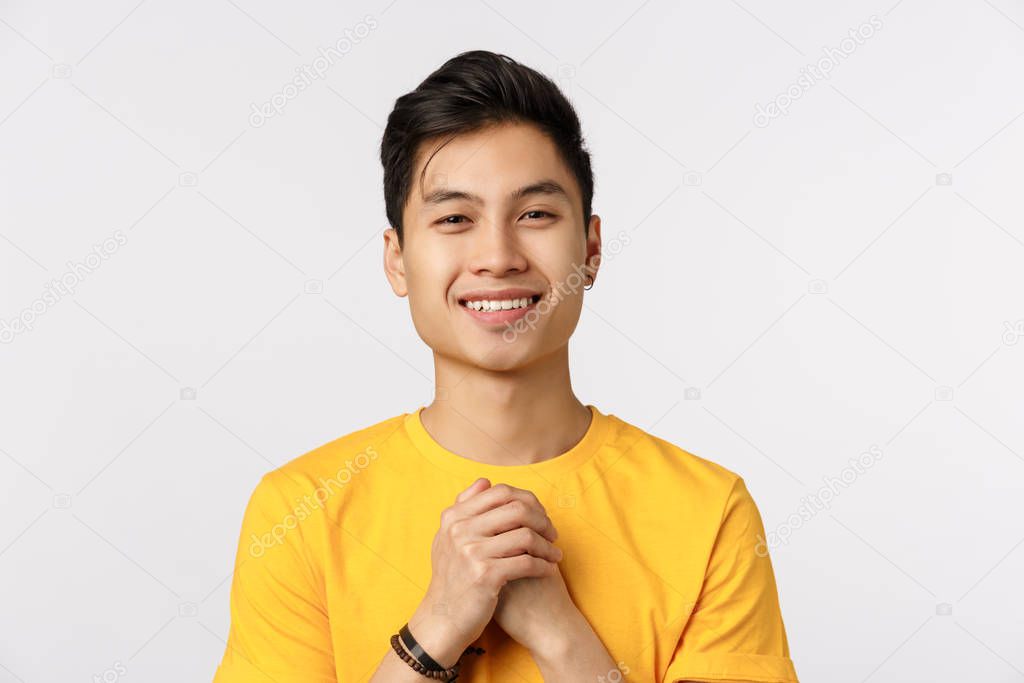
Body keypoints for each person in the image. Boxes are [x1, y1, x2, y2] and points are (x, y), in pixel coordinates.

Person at [213, 49, 799, 683]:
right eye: (455, 218)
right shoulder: (302, 511)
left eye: (535, 215)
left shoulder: (709, 512)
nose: (497, 255)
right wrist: (434, 628)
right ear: (398, 261)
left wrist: (558, 632)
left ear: (592, 248)